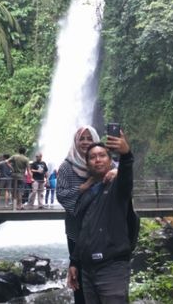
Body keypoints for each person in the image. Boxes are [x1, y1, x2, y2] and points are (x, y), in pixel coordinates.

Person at [68, 130, 138, 303]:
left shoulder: (117, 187)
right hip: (88, 270)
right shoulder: (87, 193)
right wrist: (74, 262)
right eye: (92, 157)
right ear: (88, 164)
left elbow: (126, 177)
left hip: (111, 268)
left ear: (110, 160)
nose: (97, 160)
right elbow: (84, 231)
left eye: (102, 155)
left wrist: (126, 155)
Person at [57, 126, 116, 304]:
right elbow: (61, 194)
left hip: (104, 229)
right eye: (81, 138)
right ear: (76, 141)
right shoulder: (67, 166)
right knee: (79, 274)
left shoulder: (106, 163)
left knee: (105, 272)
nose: (85, 142)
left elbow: (124, 179)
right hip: (77, 230)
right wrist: (85, 186)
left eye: (89, 138)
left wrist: (117, 172)